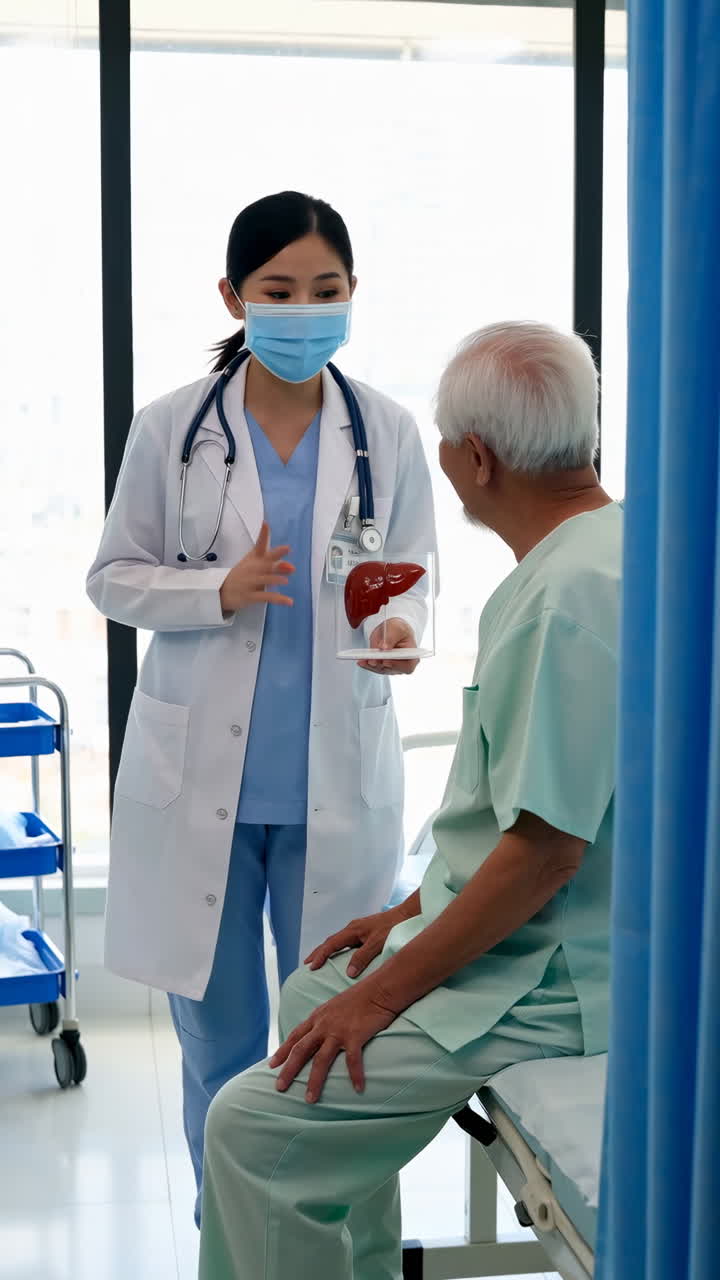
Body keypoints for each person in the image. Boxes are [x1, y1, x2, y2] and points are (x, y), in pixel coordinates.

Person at [198, 321, 622, 1280]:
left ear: (471, 458)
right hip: (553, 934)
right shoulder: (605, 549)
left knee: (251, 1130)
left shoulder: (563, 599)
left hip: (553, 979)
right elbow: (546, 811)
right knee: (313, 990)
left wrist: (387, 993)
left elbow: (546, 853)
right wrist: (407, 912)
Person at [86, 191, 436, 1222]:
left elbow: (405, 572)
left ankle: (323, 1227)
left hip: (332, 774)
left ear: (354, 295)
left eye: (325, 291)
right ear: (234, 295)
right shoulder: (171, 429)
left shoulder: (388, 429)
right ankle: (227, 1231)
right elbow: (112, 579)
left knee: (329, 1024)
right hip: (205, 786)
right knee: (221, 1035)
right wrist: (216, 591)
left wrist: (400, 628)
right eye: (278, 291)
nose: (303, 310)